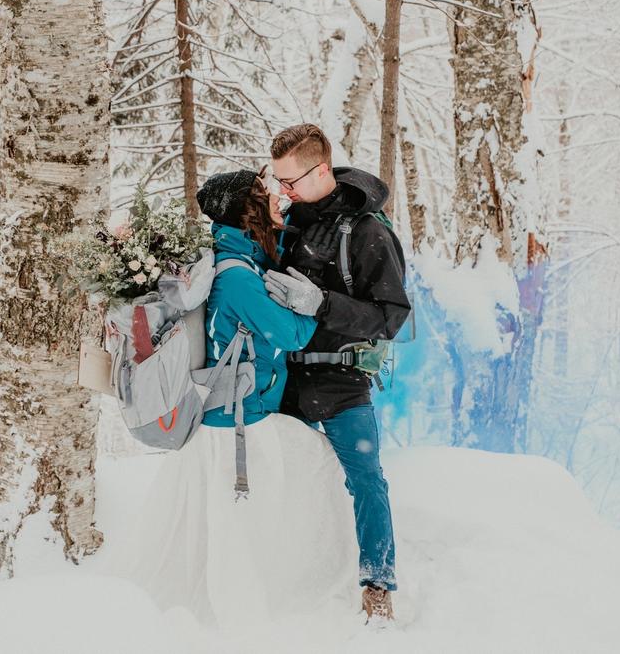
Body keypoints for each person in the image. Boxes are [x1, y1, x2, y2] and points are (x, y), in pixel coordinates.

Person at [105, 167, 359, 629]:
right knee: (250, 523)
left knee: (230, 526)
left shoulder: (232, 257)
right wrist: (306, 306)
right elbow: (289, 333)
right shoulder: (237, 276)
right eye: (265, 193)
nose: (275, 199)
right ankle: (260, 610)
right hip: (240, 423)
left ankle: (265, 593)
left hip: (233, 414)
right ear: (247, 209)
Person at [264, 124, 411, 623]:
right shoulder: (285, 223)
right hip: (285, 378)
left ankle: (378, 583)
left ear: (321, 169)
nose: (284, 191)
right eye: (278, 181)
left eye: (291, 180)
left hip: (342, 379)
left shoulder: (368, 231)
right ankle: (286, 572)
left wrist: (322, 303)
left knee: (366, 481)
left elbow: (392, 315)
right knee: (276, 474)